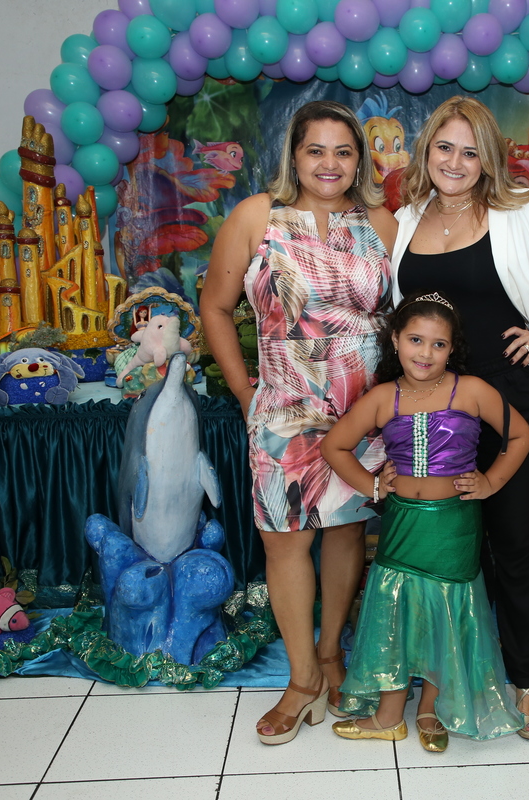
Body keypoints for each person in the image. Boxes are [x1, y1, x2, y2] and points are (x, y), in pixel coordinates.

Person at [390, 96, 529, 738]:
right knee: (448, 545)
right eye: (444, 148)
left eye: (470, 152)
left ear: (489, 161)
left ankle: (526, 680)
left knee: (514, 543)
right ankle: (448, 676)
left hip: (510, 399)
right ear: (427, 151)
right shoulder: (405, 218)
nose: (455, 162)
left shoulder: (522, 211)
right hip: (435, 404)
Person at [202, 100, 397, 745]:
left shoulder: (383, 224)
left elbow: (407, 318)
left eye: (343, 151)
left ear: (359, 160)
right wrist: (242, 389)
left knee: (346, 532)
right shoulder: (255, 216)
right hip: (284, 405)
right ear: (294, 155)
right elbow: (215, 307)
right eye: (316, 150)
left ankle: (333, 654)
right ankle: (302, 677)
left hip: (362, 410)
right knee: (283, 540)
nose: (329, 164)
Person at [320, 292, 529, 751]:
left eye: (439, 344)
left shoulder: (471, 390)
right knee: (396, 609)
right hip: (402, 523)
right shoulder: (383, 397)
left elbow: (521, 435)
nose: (426, 353)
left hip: (454, 525)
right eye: (416, 340)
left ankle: (431, 710)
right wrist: (372, 486)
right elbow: (334, 446)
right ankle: (388, 716)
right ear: (396, 340)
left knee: (444, 611)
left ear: (452, 349)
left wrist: (491, 481)